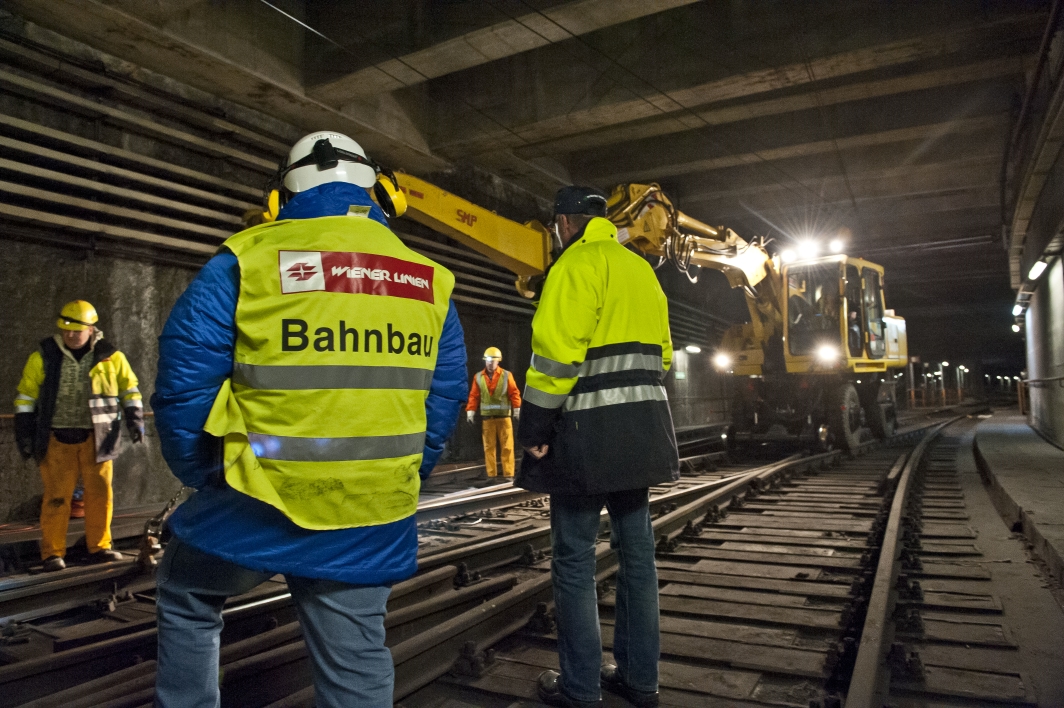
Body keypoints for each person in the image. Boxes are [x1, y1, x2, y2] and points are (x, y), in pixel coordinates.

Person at [151, 131, 467, 708]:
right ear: (380, 192)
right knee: (357, 662)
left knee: (186, 591)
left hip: (257, 489)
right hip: (369, 508)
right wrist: (397, 477)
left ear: (282, 194)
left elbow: (183, 385)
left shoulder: (244, 260)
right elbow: (440, 405)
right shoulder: (430, 280)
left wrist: (203, 472)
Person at [516, 186, 679, 708]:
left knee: (573, 561)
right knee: (638, 560)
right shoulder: (642, 272)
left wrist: (536, 430)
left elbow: (555, 360)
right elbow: (665, 357)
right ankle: (640, 680)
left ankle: (581, 688)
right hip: (643, 436)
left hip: (584, 440)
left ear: (565, 223)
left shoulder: (573, 265)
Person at [14, 300, 143, 572]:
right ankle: (52, 553)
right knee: (57, 497)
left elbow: (129, 389)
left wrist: (135, 418)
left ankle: (100, 546)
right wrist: (24, 429)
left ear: (92, 329)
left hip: (98, 438)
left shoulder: (111, 357)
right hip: (57, 438)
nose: (70, 335)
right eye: (66, 330)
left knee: (100, 494)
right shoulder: (44, 356)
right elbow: (26, 395)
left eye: (77, 330)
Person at [466, 346, 522, 477]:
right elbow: (474, 396)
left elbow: (514, 393)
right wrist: (470, 411)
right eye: (488, 360)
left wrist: (517, 409)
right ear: (485, 361)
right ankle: (492, 475)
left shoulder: (507, 375)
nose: (490, 363)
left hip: (504, 418)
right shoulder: (478, 377)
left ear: (498, 361)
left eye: (493, 360)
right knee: (489, 448)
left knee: (507, 447)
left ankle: (508, 474)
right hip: (488, 418)